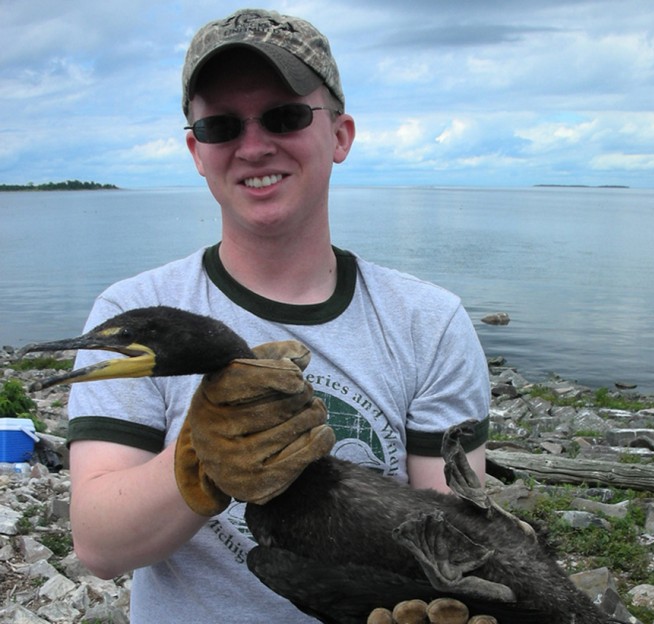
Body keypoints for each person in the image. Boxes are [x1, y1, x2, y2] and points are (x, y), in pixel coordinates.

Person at [66, 8, 490, 623]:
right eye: (220, 126)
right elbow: (101, 545)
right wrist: (202, 457)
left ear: (340, 135)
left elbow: (454, 544)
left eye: (285, 116)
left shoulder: (429, 322)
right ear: (196, 149)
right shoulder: (131, 313)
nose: (253, 145)